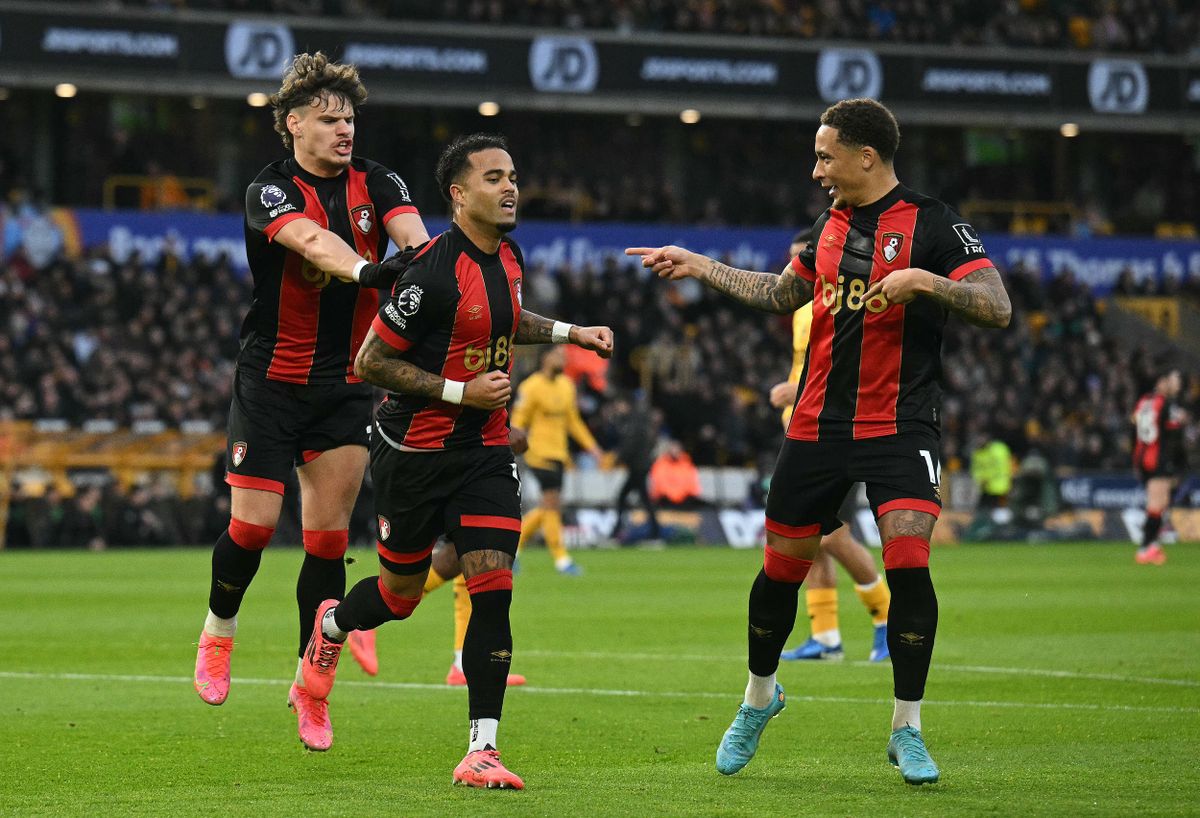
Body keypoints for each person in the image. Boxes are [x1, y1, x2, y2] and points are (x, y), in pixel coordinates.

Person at [627, 97, 1011, 786]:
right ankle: (759, 698)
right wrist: (697, 263)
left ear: (867, 156)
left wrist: (926, 281)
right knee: (780, 571)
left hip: (900, 425)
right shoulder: (827, 226)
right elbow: (780, 294)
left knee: (910, 564)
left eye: (826, 156)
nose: (817, 170)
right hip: (816, 426)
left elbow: (997, 306)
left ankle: (907, 729)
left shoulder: (936, 223)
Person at [299, 133, 613, 790]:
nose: (509, 188)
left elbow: (504, 318)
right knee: (399, 596)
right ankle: (331, 628)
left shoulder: (510, 256)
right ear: (458, 194)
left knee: (494, 587)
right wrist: (458, 391)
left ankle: (483, 750)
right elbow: (371, 362)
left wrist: (569, 333)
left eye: (513, 176)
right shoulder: (431, 272)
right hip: (413, 454)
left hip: (484, 451)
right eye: (493, 177)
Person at [191, 52, 430, 754]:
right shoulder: (268, 190)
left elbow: (413, 239)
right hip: (269, 380)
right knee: (255, 529)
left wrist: (425, 266)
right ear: (292, 124)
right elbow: (309, 241)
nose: (343, 130)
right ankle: (218, 632)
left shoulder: (377, 181)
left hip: (343, 384)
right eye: (328, 119)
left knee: (328, 542)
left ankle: (311, 686)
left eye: (349, 119)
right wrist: (367, 269)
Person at [771, 231, 891, 664]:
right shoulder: (801, 311)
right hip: (801, 428)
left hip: (834, 431)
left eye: (798, 261)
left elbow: (835, 363)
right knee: (810, 537)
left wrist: (795, 389)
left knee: (833, 534)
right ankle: (825, 638)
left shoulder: (835, 303)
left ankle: (885, 616)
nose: (792, 271)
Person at [510, 345, 602, 575]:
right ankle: (561, 559)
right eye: (558, 355)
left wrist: (593, 448)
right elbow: (518, 421)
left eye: (564, 356)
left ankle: (513, 549)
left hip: (559, 453)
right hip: (538, 452)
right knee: (552, 503)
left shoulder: (567, 386)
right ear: (545, 357)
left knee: (548, 506)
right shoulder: (531, 387)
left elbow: (574, 422)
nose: (563, 359)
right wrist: (512, 444)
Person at [1131, 367, 1187, 565]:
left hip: (1142, 457)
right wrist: (1180, 464)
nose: (1176, 384)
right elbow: (1174, 436)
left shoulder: (1144, 401)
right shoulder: (1166, 404)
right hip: (1158, 459)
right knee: (1156, 505)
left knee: (1159, 503)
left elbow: (1135, 425)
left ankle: (1151, 544)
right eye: (1173, 380)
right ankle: (1146, 548)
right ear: (1162, 382)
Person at [608, 396, 663, 544]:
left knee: (623, 498)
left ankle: (617, 532)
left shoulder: (632, 422)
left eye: (619, 404)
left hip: (638, 466)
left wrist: (617, 461)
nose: (618, 408)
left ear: (626, 405)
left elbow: (629, 446)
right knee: (642, 499)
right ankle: (655, 533)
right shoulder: (637, 420)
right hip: (640, 465)